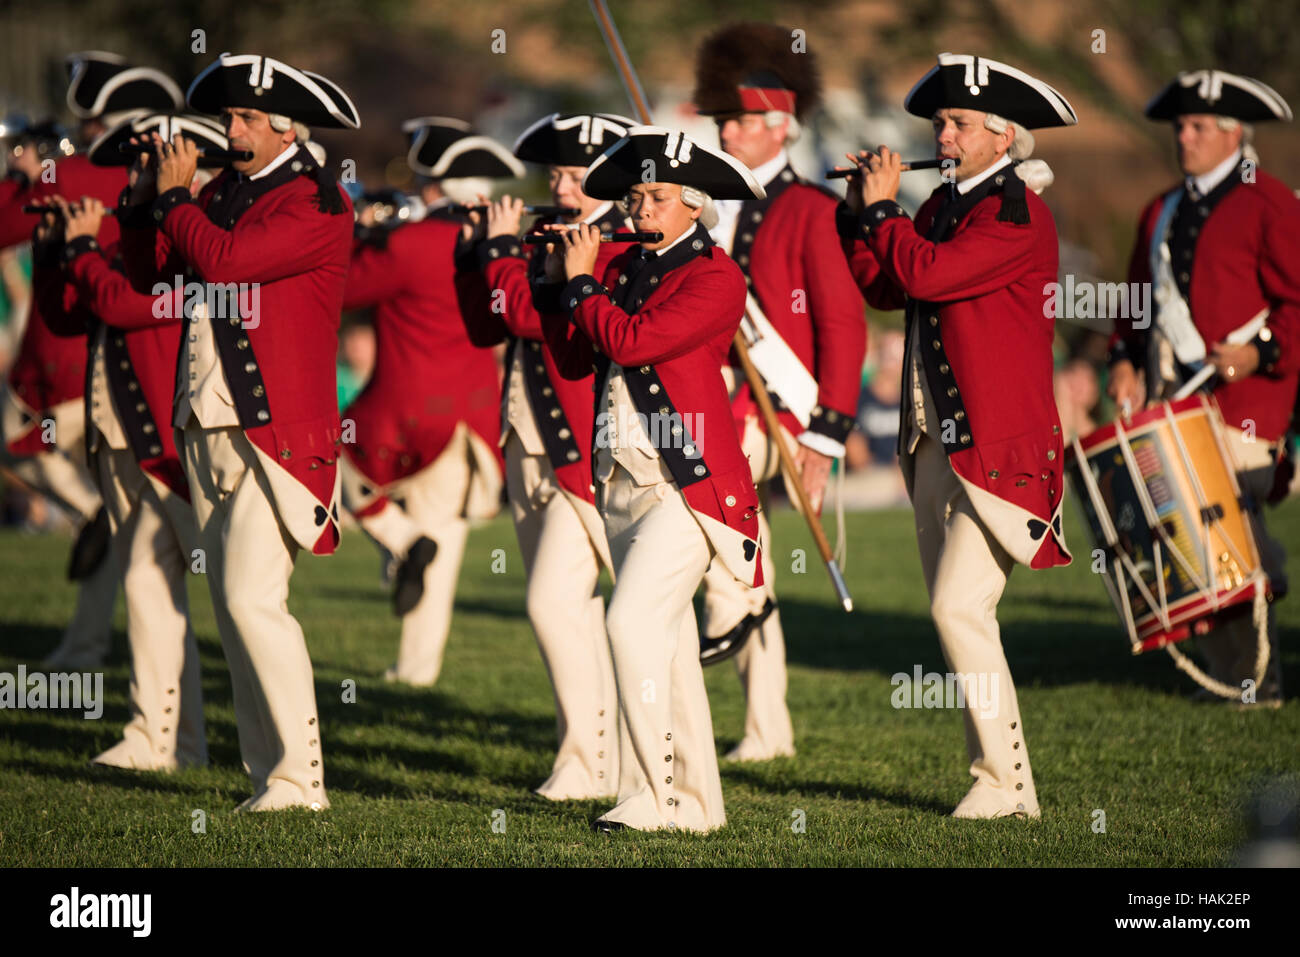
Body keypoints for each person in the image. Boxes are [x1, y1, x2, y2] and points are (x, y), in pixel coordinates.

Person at [837, 53, 1077, 819]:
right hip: (939, 437)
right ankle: (1005, 781)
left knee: (957, 609)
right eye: (940, 121)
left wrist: (883, 213)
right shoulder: (941, 207)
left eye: (959, 122)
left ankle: (1005, 783)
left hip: (998, 445)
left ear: (1003, 135)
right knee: (959, 613)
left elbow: (930, 276)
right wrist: (857, 213)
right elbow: (888, 286)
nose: (942, 132)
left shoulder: (1014, 213)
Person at [119, 52, 359, 811]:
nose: (231, 128)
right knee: (230, 602)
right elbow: (152, 273)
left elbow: (224, 262)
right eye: (229, 116)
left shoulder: (316, 202)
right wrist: (143, 198)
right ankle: (269, 777)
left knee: (255, 598)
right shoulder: (220, 190)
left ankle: (301, 778)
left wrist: (174, 198)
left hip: (278, 429)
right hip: (208, 418)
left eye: (248, 117)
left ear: (287, 128)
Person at [538, 125, 765, 832]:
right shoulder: (621, 267)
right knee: (664, 648)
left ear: (695, 204)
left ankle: (653, 795)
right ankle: (696, 805)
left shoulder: (717, 275)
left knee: (628, 621)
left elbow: (633, 342)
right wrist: (555, 286)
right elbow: (578, 362)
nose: (639, 207)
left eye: (656, 196)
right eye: (635, 195)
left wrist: (580, 280)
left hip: (690, 487)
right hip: (623, 479)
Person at [26, 112, 230, 770]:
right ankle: (162, 738)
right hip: (122, 430)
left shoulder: (197, 232)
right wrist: (54, 245)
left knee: (237, 600)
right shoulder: (123, 230)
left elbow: (128, 304)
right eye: (133, 163)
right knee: (146, 584)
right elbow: (62, 314)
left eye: (150, 162)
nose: (135, 175)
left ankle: (267, 754)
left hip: (176, 438)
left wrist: (84, 251)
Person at [690, 22, 867, 761]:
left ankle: (731, 605)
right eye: (722, 119)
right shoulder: (704, 202)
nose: (724, 130)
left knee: (710, 521)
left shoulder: (813, 209)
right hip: (715, 399)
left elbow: (843, 327)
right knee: (737, 542)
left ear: (779, 125)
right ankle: (767, 729)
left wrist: (825, 437)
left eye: (736, 119)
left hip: (779, 411)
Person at [456, 111, 633, 798]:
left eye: (573, 174)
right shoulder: (539, 237)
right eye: (555, 173)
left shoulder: (620, 239)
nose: (559, 186)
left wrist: (501, 253)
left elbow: (536, 315)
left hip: (582, 450)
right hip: (526, 441)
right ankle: (590, 753)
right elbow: (483, 324)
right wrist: (475, 251)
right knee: (575, 610)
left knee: (549, 602)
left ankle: (590, 761)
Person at [1108, 69, 1299, 707]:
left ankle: (1260, 678)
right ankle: (1231, 672)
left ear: (1233, 133)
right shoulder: (1160, 209)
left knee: (1232, 536)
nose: (1183, 137)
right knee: (1189, 540)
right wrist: (1126, 359)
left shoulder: (1269, 202)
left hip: (1247, 403)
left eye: (1196, 127)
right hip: (1176, 398)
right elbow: (1137, 300)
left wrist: (1261, 350)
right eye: (1180, 126)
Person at [0, 54, 184, 669]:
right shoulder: (178, 176)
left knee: (25, 448)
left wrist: (23, 175)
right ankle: (84, 644)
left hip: (73, 362)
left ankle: (82, 516)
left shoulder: (71, 172)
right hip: (138, 371)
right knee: (134, 529)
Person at [338, 118, 515, 686]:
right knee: (447, 541)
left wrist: (362, 230)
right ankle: (416, 671)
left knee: (335, 472)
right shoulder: (496, 243)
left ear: (434, 187)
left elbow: (341, 289)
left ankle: (401, 539)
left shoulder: (411, 241)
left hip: (401, 411)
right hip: (474, 416)